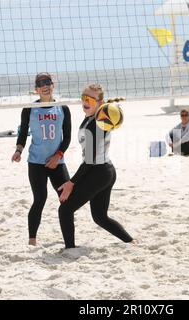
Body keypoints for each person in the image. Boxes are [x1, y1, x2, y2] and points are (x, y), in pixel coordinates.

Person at [57, 84, 135, 249]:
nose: (85, 101)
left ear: (100, 103)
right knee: (100, 217)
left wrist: (71, 183)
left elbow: (90, 160)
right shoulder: (94, 118)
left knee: (65, 210)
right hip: (105, 170)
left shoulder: (97, 124)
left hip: (98, 172)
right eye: (84, 97)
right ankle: (131, 242)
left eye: (90, 99)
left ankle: (70, 249)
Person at [11, 72, 71, 246]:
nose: (45, 86)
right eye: (40, 83)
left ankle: (69, 240)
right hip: (36, 162)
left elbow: (66, 137)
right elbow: (23, 134)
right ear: (36, 89)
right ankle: (32, 241)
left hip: (57, 162)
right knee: (40, 199)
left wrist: (57, 155)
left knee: (67, 199)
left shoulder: (62, 108)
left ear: (53, 85)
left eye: (47, 82)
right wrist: (18, 151)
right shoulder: (29, 108)